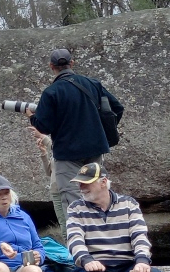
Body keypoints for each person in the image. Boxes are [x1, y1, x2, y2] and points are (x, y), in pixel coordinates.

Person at [28, 48, 124, 213]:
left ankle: (81, 236)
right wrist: (101, 132)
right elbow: (117, 108)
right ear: (72, 63)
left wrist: (31, 117)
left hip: (67, 153)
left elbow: (43, 127)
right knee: (100, 194)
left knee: (74, 202)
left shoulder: (51, 92)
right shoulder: (93, 84)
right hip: (95, 149)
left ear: (52, 66)